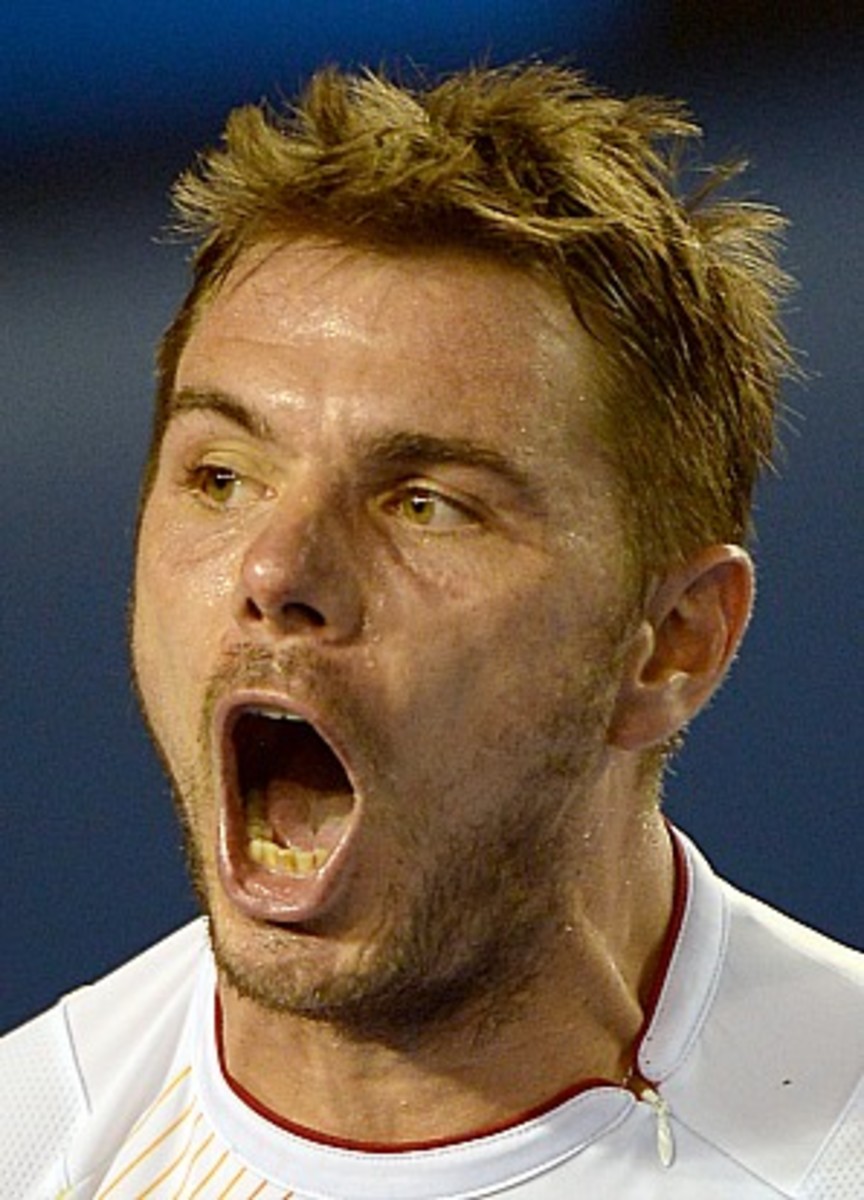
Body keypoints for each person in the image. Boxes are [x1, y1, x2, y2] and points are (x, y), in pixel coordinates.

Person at [1, 62, 861, 1199]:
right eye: (221, 476)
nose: (275, 570)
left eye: (425, 503)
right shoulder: (34, 1143)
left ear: (671, 644)